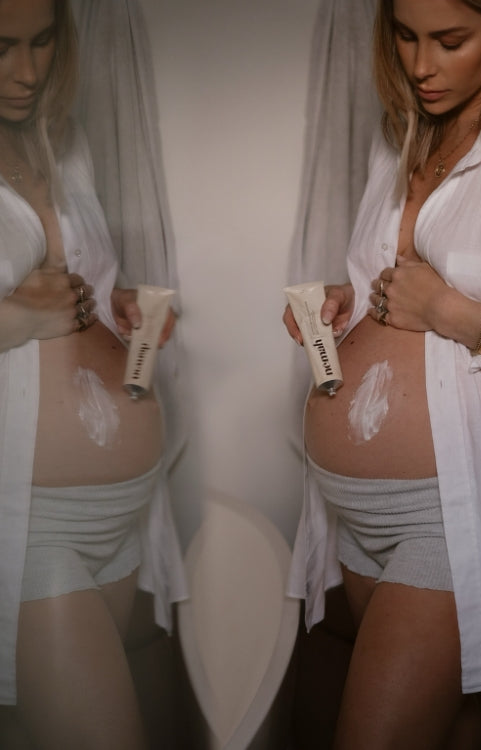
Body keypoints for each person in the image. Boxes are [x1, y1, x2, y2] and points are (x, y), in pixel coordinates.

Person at [283, 0, 481, 747]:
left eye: (450, 41)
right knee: (452, 728)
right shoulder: (403, 143)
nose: (421, 66)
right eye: (404, 35)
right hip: (358, 519)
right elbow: (391, 291)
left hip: (455, 516)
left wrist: (460, 314)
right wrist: (346, 305)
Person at [0, 0, 185, 748]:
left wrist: (123, 310)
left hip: (129, 519)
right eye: (2, 46)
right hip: (31, 525)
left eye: (44, 42)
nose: (29, 70)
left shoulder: (60, 143)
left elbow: (85, 294)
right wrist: (18, 319)